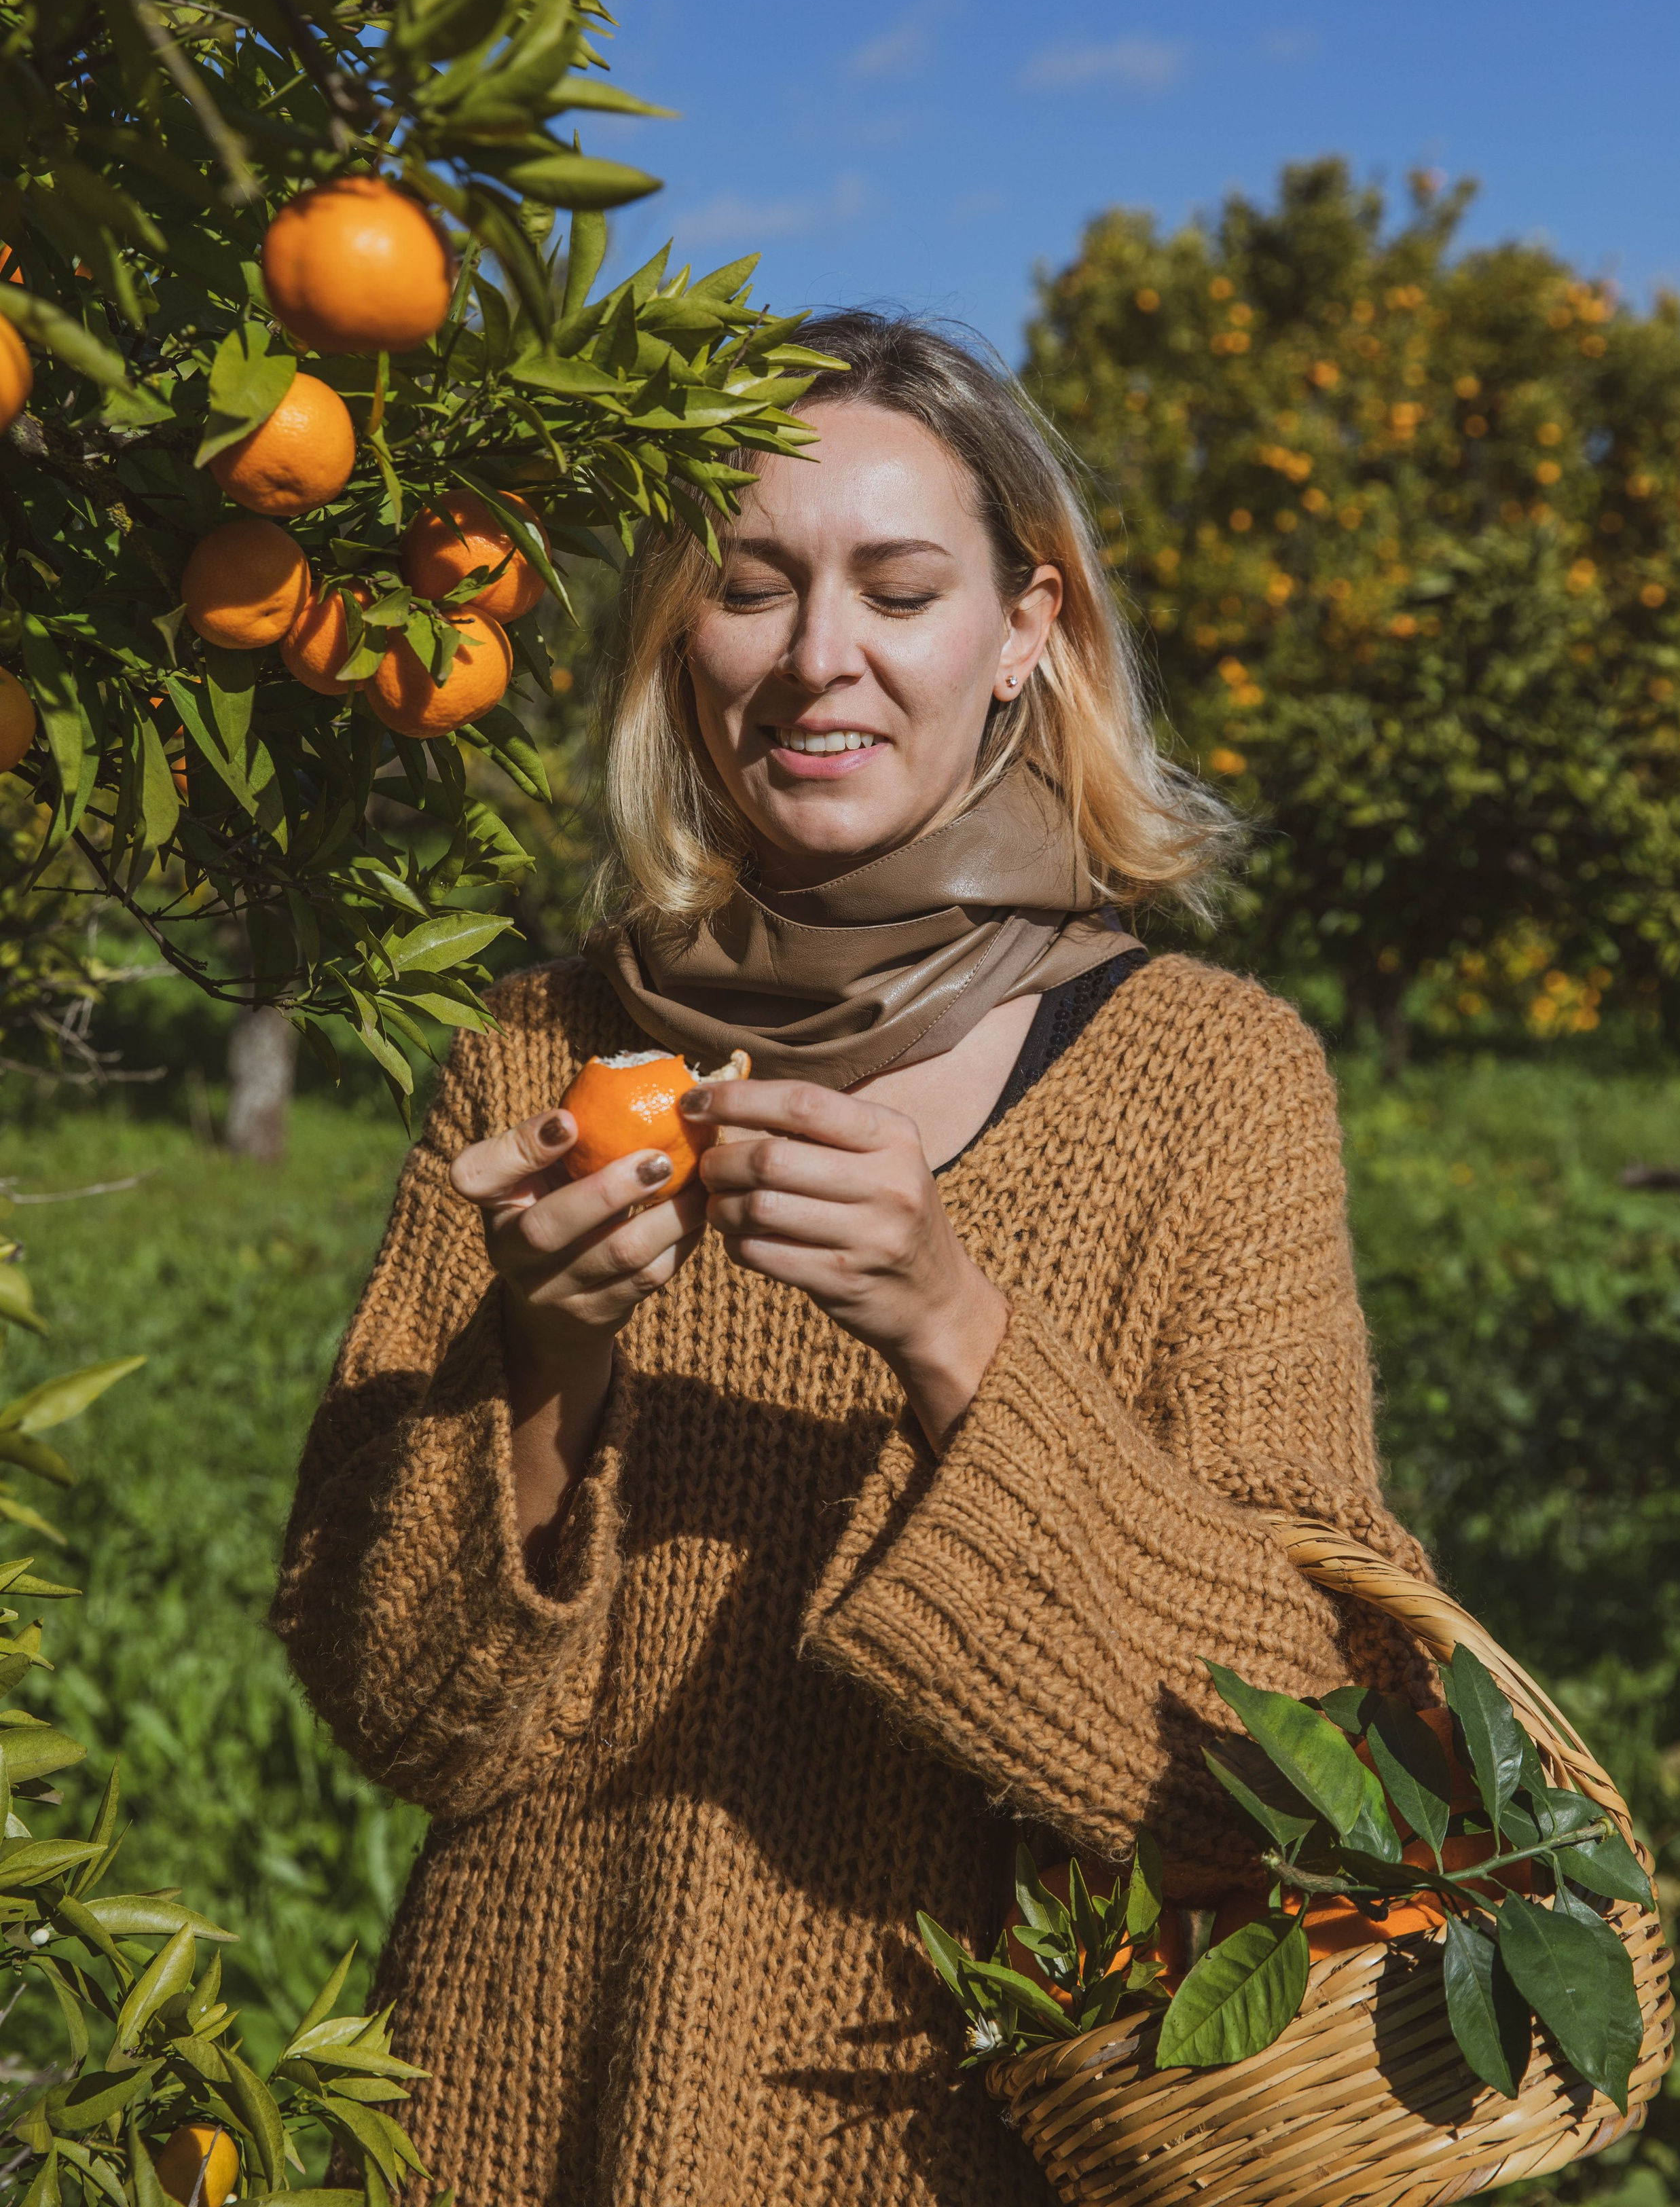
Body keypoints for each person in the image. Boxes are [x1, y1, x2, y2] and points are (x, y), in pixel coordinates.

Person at [272, 312, 1434, 2207]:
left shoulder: (1211, 1080)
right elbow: (395, 1709)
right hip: (516, 2108)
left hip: (960, 2146)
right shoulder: (532, 1057)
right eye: (753, 587)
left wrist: (954, 1327)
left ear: (1026, 629)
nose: (822, 658)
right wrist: (546, 1366)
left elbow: (1305, 1751)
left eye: (901, 589)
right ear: (678, 634)